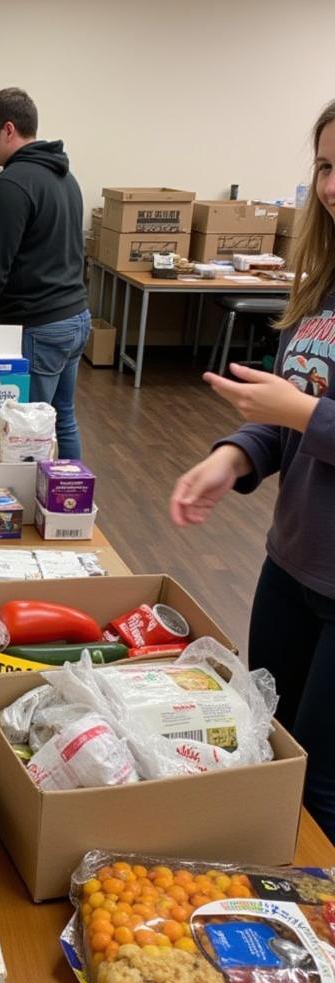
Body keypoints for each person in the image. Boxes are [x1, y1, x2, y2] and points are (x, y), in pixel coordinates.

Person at [170, 99, 335, 842]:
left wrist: (297, 415)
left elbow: (302, 411)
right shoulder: (325, 288)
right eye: (326, 166)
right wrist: (236, 454)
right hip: (292, 564)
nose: (331, 185)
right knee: (265, 742)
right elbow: (289, 407)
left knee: (321, 787)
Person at [0, 88, 89, 460]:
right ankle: (69, 500)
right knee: (61, 418)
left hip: (41, 323)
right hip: (76, 316)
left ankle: (36, 512)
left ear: (7, 130)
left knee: (28, 429)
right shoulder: (65, 177)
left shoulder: (11, 183)